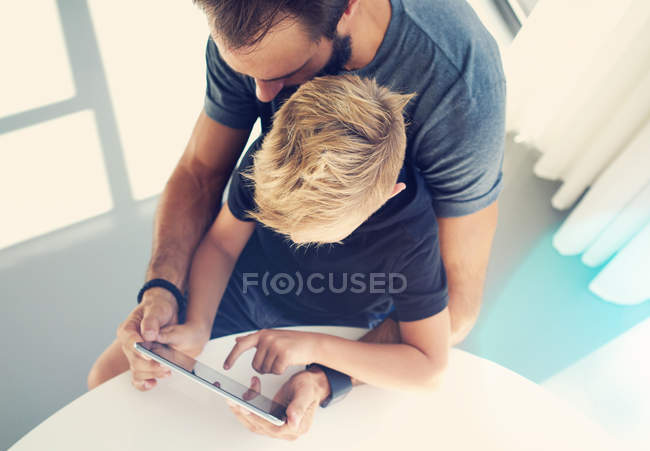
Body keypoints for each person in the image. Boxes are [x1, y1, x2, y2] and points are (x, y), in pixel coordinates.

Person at [88, 0, 505, 440]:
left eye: (283, 72)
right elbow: (218, 229)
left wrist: (322, 368)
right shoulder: (269, 135)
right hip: (241, 293)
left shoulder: (458, 94)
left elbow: (436, 346)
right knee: (105, 380)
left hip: (343, 325)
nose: (262, 93)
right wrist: (177, 304)